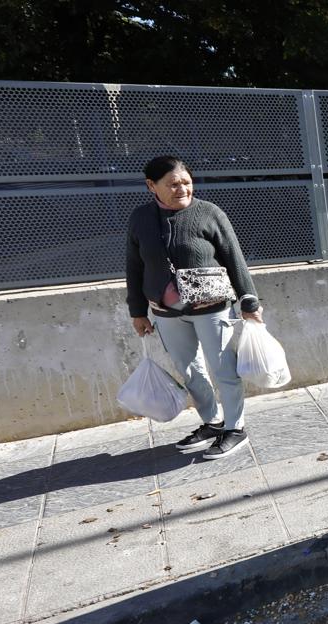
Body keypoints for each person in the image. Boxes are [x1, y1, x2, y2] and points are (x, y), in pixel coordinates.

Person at [125, 155, 262, 460]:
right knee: (190, 371)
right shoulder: (140, 219)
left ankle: (235, 427)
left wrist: (248, 299)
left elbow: (234, 258)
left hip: (212, 307)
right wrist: (137, 312)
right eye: (173, 184)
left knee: (224, 368)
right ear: (152, 186)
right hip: (165, 312)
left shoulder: (209, 213)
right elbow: (134, 267)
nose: (182, 189)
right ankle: (212, 422)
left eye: (186, 182)